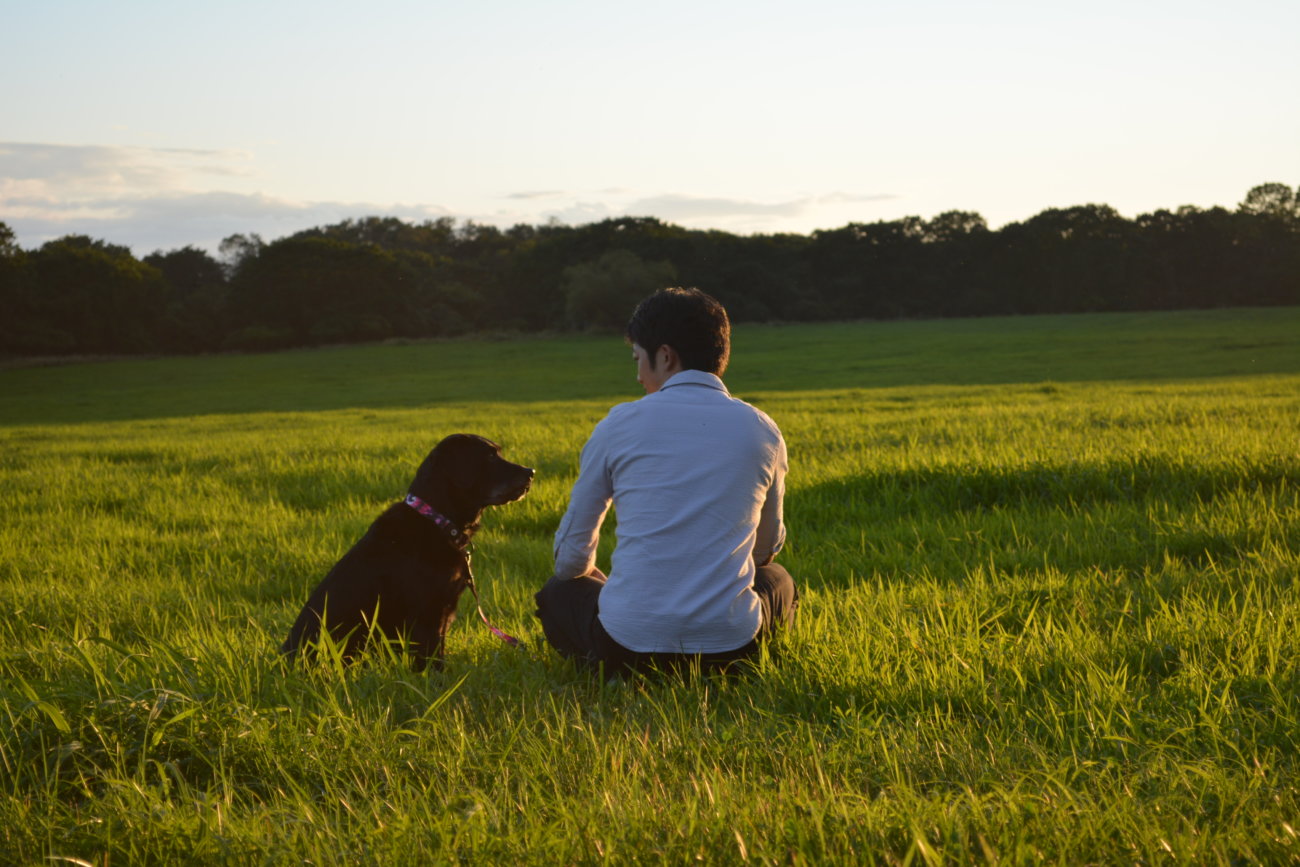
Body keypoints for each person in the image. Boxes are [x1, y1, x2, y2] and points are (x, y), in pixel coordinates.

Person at [535, 287, 798, 676]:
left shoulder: (618, 425)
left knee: (558, 592)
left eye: (638, 358)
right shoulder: (762, 429)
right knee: (778, 579)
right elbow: (766, 550)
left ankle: (602, 670)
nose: (638, 374)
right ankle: (756, 666)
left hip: (626, 650)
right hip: (731, 650)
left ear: (665, 355)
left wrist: (603, 583)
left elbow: (570, 561)